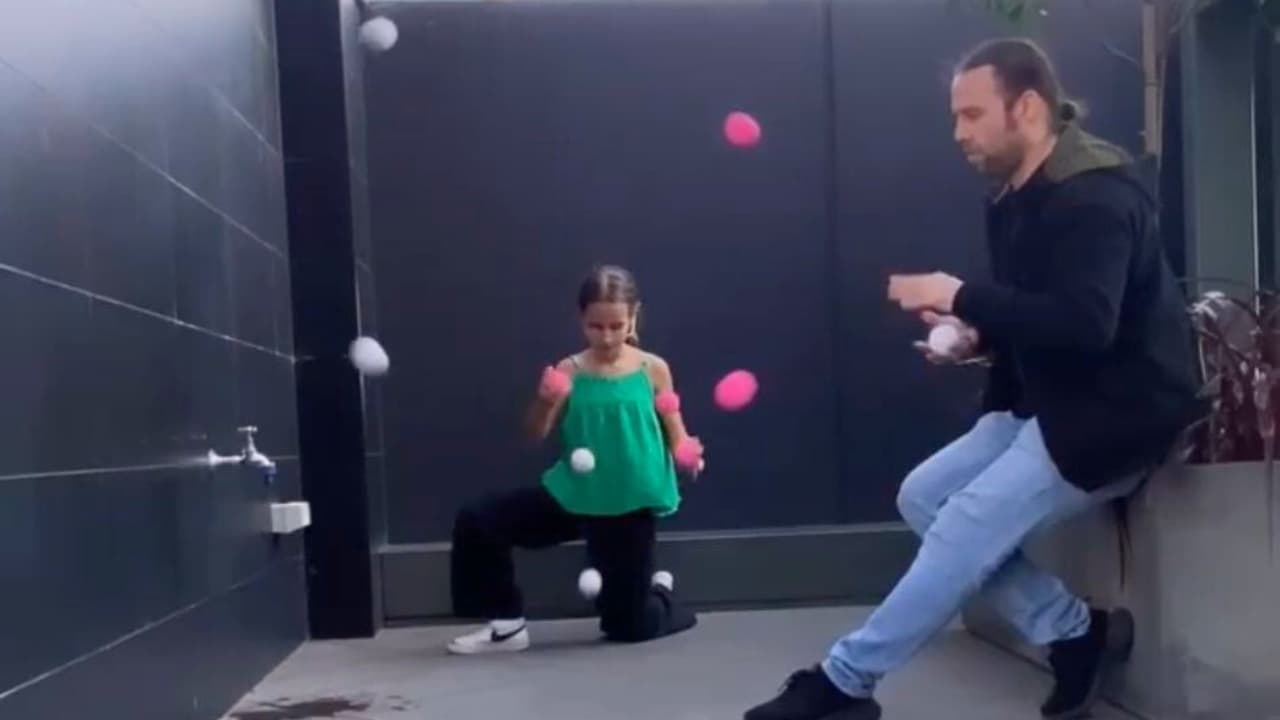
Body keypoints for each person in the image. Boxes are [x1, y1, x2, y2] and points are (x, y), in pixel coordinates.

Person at [743, 38, 1203, 720]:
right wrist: (973, 335)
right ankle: (1076, 632)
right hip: (1050, 403)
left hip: (1116, 415)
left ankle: (844, 681)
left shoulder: (1096, 199)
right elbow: (1038, 312)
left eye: (972, 114)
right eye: (955, 116)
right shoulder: (1016, 197)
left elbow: (1084, 325)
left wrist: (960, 295)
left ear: (1027, 108)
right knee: (923, 497)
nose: (958, 132)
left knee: (964, 523)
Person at [447, 264, 702, 654]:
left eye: (616, 325)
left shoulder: (654, 369)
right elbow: (534, 434)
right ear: (581, 320)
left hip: (629, 504)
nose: (606, 336)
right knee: (478, 519)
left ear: (634, 317)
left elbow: (675, 427)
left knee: (627, 626)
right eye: (596, 326)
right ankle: (507, 628)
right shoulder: (568, 370)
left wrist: (687, 455)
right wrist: (547, 399)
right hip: (576, 495)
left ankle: (661, 594)